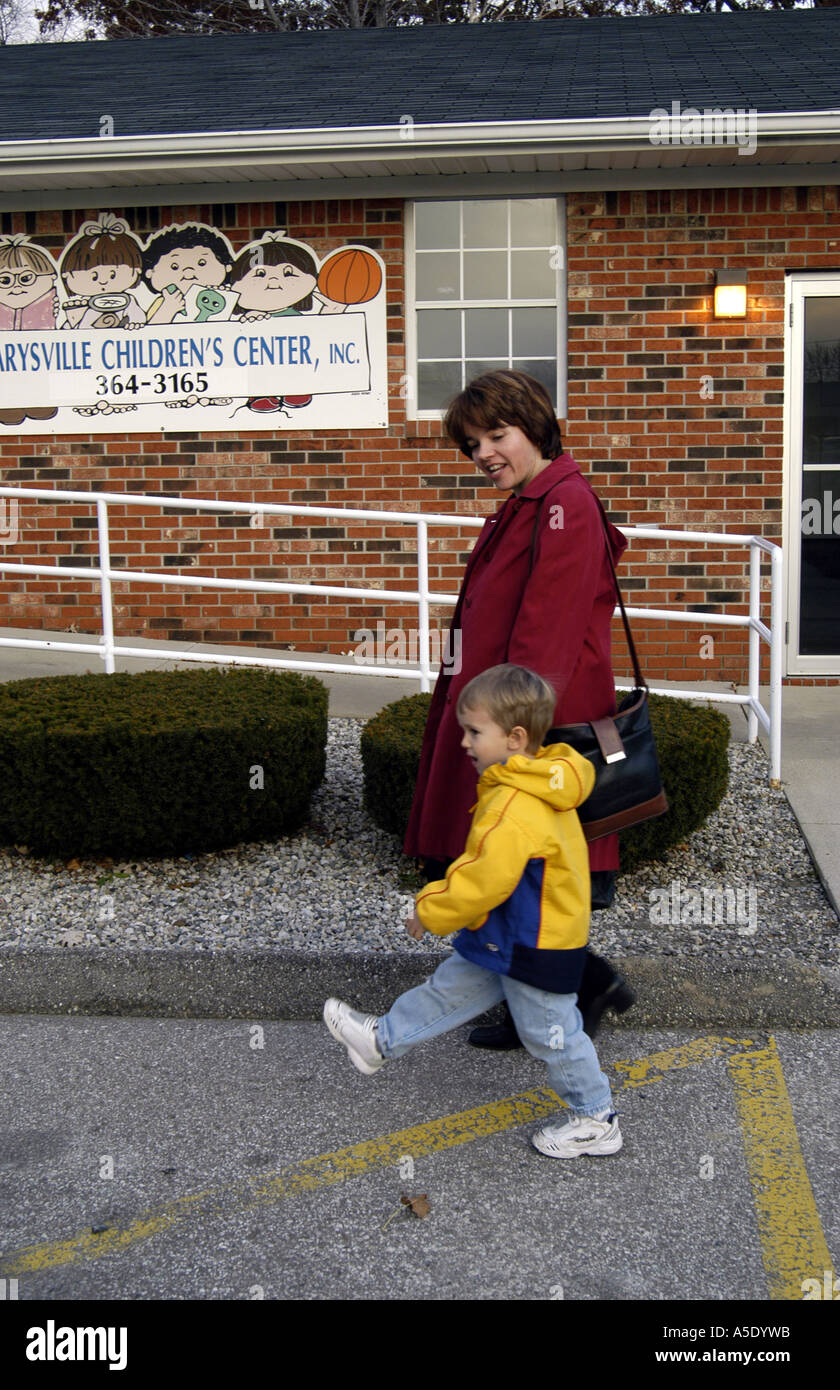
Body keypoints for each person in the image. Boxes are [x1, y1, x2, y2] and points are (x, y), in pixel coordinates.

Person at [404, 369, 634, 1047]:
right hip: (502, 710)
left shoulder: (564, 502)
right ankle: (573, 991)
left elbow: (548, 634)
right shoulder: (535, 499)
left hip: (526, 720)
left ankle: (574, 995)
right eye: (473, 443)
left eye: (496, 435)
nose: (483, 453)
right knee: (512, 868)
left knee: (518, 868)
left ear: (534, 427)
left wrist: (512, 737)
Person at [324, 664, 622, 1160]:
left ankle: (596, 1117)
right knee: (448, 990)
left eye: (474, 731)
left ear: (515, 737)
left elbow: (483, 878)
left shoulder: (513, 804)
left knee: (550, 1034)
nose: (464, 742)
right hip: (509, 934)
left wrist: (430, 910)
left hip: (533, 942)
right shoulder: (543, 777)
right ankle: (381, 1040)